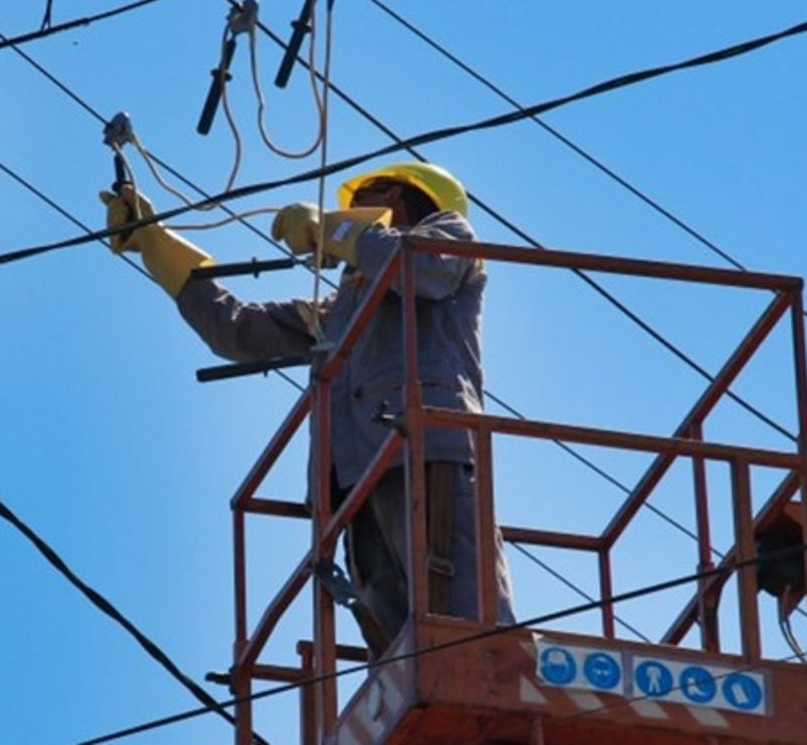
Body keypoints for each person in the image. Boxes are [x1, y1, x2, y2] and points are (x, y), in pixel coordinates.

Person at [100, 162, 514, 657]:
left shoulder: (447, 238)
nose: (343, 211)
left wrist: (331, 228)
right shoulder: (337, 311)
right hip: (350, 487)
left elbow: (421, 271)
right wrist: (153, 242)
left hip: (425, 456)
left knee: (467, 622)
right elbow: (236, 329)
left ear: (398, 201)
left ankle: (497, 677)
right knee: (398, 648)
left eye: (360, 198)